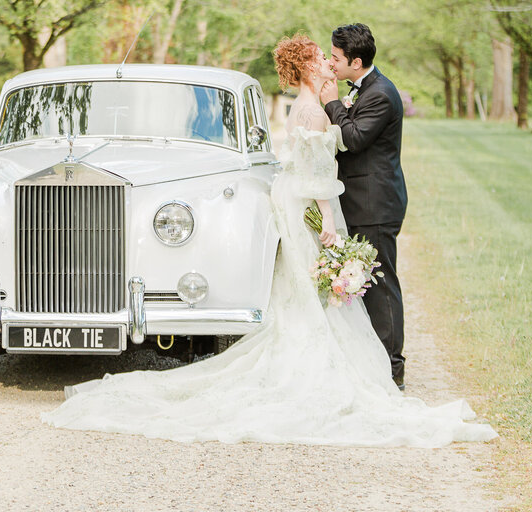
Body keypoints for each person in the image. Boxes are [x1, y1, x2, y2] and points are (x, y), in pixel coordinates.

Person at [41, 34, 496, 447]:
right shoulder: (315, 110)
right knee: (313, 294)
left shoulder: (311, 107)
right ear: (307, 69)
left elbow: (323, 154)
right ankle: (361, 369)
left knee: (302, 292)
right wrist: (329, 226)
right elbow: (319, 174)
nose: (328, 62)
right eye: (322, 58)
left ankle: (383, 360)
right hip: (310, 207)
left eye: (332, 57)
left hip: (300, 203)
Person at [319, 23, 407, 389]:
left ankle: (392, 369)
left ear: (356, 62)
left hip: (376, 203)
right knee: (361, 283)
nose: (331, 63)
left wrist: (330, 103)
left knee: (381, 283)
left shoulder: (381, 94)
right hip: (357, 200)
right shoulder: (363, 88)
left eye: (336, 58)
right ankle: (369, 361)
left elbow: (353, 138)